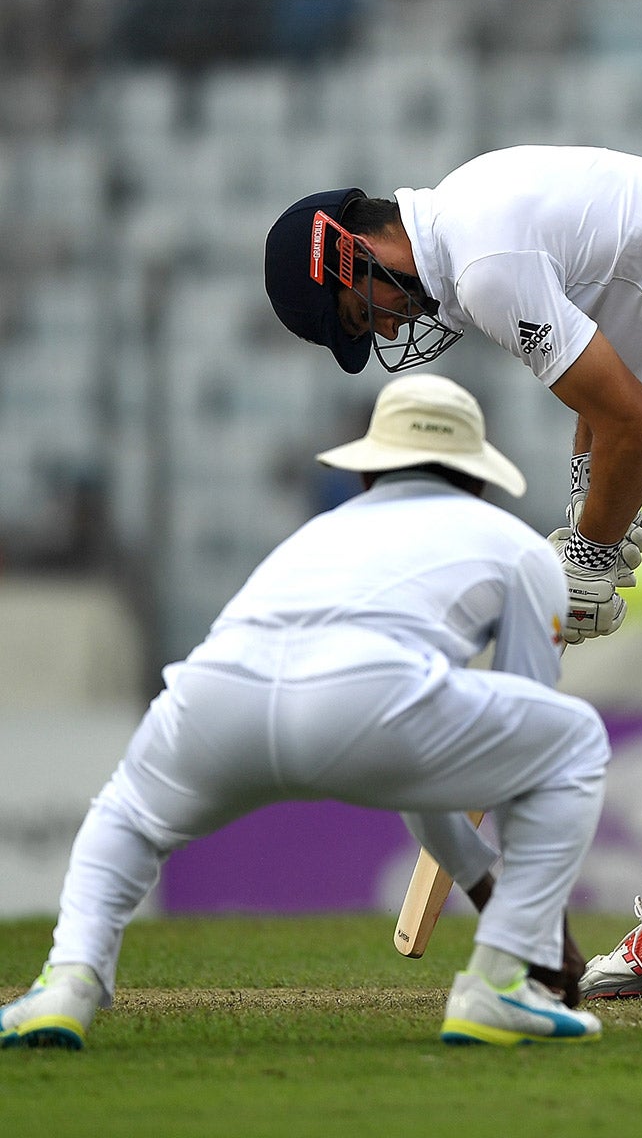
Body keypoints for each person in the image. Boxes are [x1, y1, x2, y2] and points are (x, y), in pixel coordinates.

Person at [261, 147, 642, 1000]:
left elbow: (636, 427)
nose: (389, 331)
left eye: (360, 316)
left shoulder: (482, 263)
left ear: (345, 251)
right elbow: (604, 407)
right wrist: (589, 521)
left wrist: (587, 561)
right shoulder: (473, 228)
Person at [0, 374, 608, 1050]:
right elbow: (508, 754)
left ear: (370, 474)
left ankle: (67, 983)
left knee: (126, 814)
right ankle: (498, 982)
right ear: (480, 481)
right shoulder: (519, 545)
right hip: (371, 699)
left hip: (217, 694)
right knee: (575, 739)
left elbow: (441, 752)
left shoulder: (316, 535)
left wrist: (479, 880)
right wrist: (525, 923)